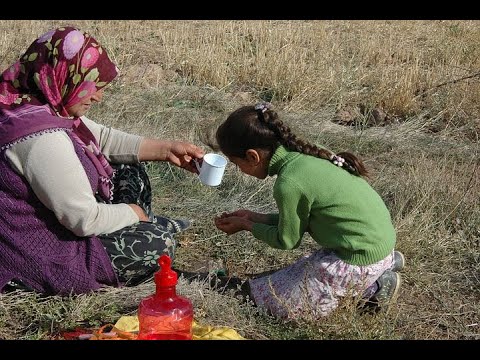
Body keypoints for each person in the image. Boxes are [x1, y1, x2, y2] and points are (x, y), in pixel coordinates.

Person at [0, 27, 205, 296]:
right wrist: (133, 212)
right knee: (156, 245)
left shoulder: (28, 103)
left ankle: (144, 222)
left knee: (129, 169)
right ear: (63, 77)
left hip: (56, 214)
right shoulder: (39, 138)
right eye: (92, 87)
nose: (98, 96)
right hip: (38, 247)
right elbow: (83, 219)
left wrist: (167, 150)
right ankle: (150, 225)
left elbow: (102, 138)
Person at [213, 102, 405, 320]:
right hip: (377, 242)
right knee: (297, 272)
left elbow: (286, 240)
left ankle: (373, 288)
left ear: (252, 156)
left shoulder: (289, 183)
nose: (239, 170)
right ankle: (384, 265)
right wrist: (255, 217)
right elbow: (301, 220)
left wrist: (247, 225)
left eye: (236, 164)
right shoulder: (306, 154)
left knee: (271, 302)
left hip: (358, 257)